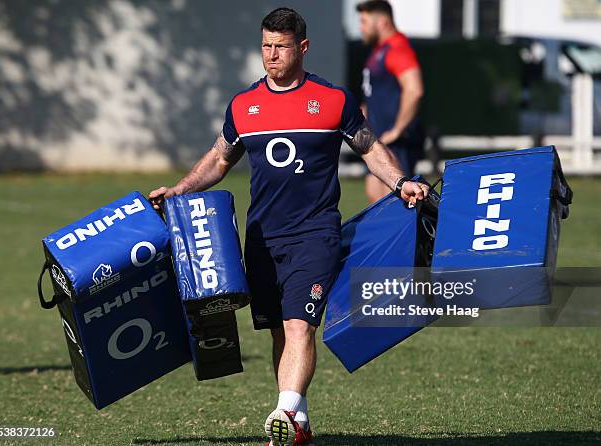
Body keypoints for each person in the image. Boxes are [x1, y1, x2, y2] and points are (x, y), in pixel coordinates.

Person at [149, 7, 428, 446]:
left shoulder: (332, 100)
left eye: (280, 46)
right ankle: (298, 421)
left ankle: (284, 410)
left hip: (315, 233)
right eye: (266, 45)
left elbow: (371, 149)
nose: (271, 54)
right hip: (261, 237)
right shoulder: (244, 106)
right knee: (280, 329)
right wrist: (181, 190)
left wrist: (399, 182)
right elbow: (220, 159)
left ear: (302, 47)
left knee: (300, 325)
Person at [357, 0, 426, 203]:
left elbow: (414, 90)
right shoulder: (379, 51)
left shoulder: (397, 48)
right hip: (378, 142)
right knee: (375, 199)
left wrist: (397, 130)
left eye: (364, 22)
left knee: (394, 204)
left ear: (382, 22)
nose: (361, 28)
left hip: (396, 143)